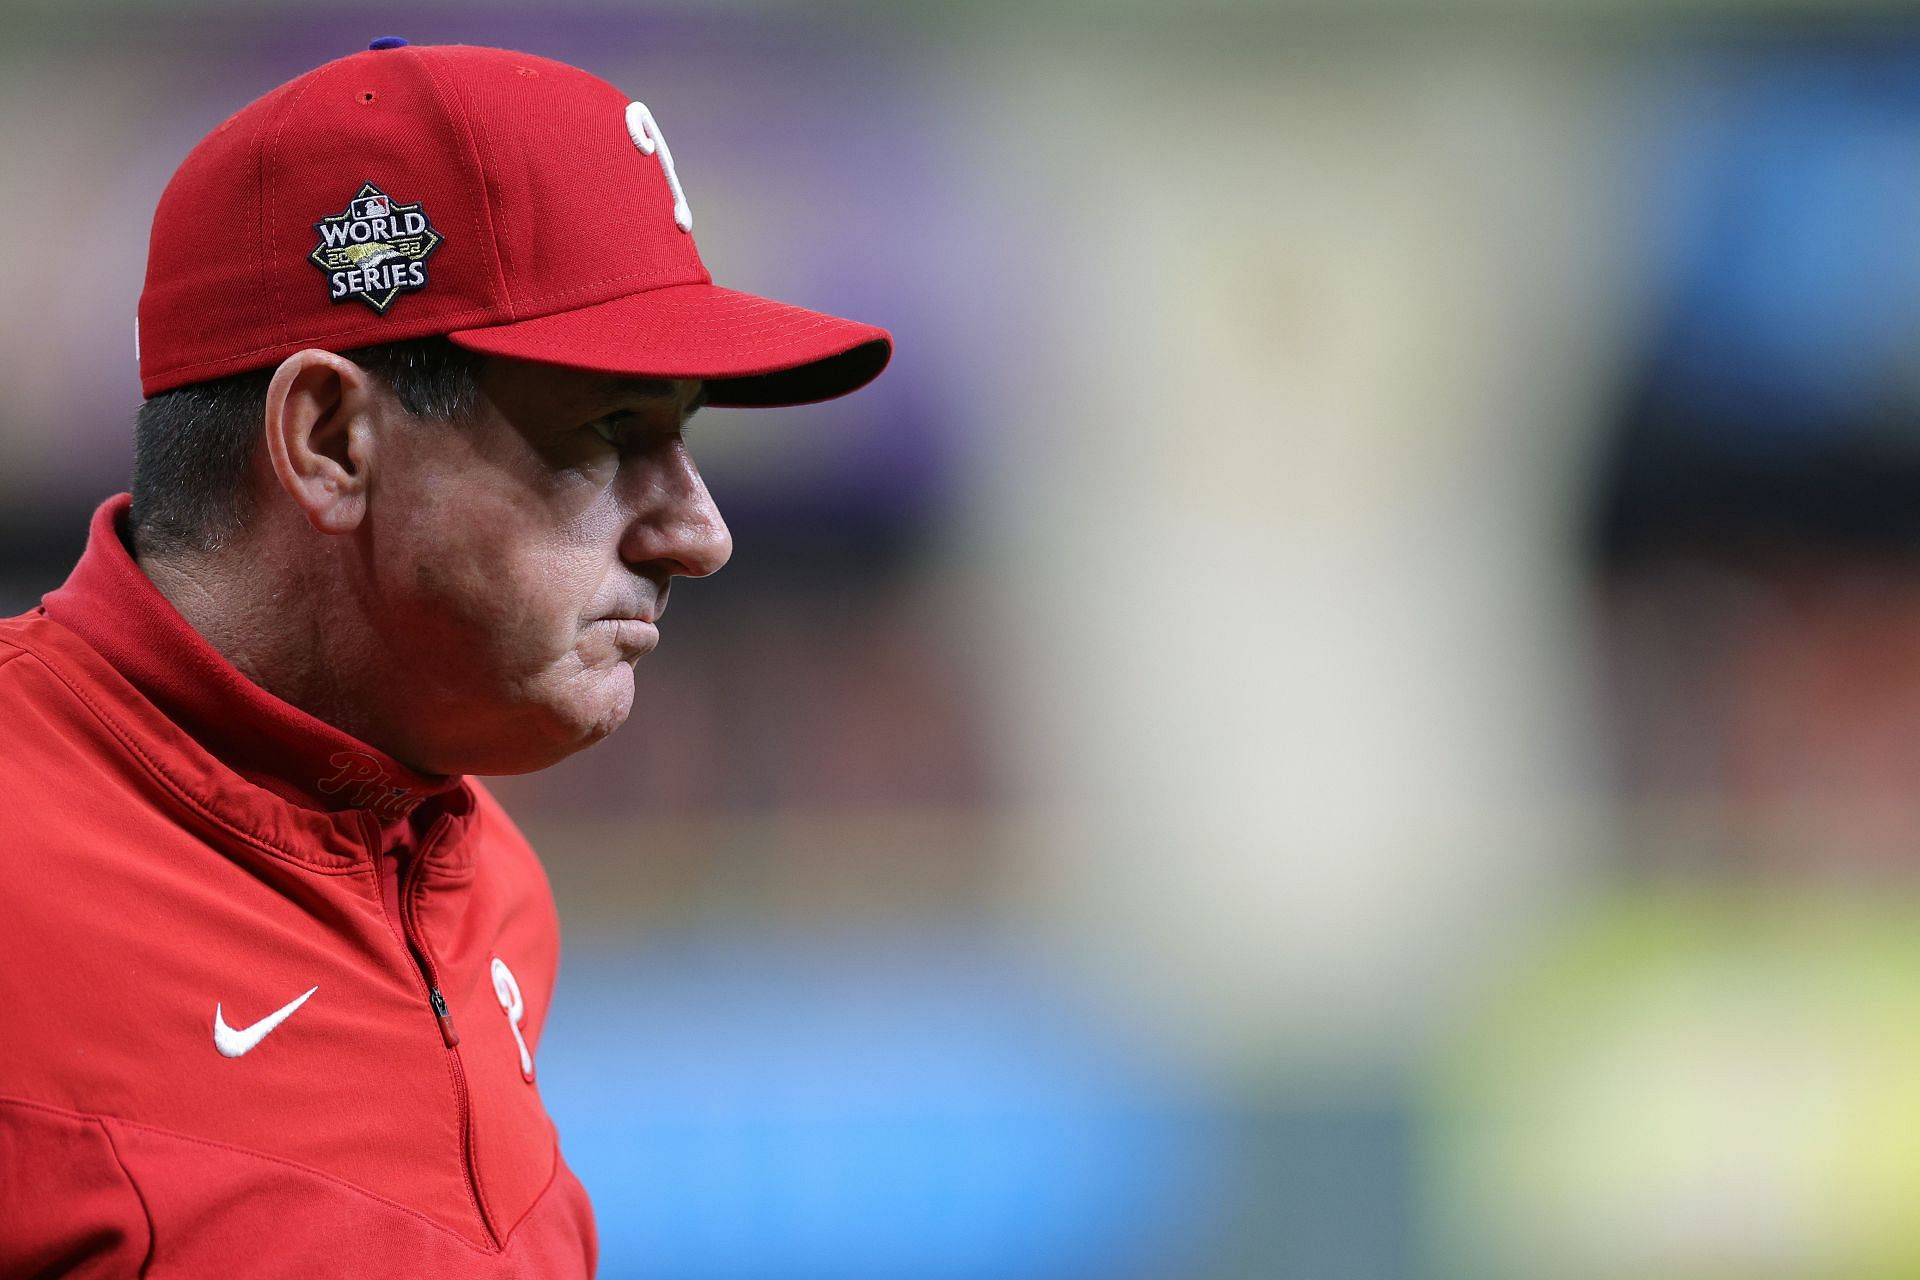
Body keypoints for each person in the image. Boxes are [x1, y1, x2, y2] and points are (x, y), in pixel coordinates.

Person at [0, 38, 890, 1276]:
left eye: (680, 437)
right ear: (330, 441)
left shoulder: (491, 884)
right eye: (608, 430)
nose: (701, 533)